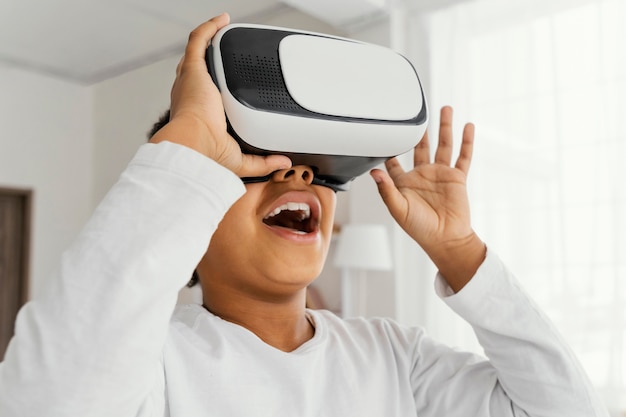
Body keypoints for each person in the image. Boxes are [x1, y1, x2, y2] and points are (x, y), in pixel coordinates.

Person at [0, 13, 609, 417]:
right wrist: (187, 137)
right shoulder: (153, 362)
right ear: (191, 210)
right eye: (256, 164)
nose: (298, 175)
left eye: (319, 169)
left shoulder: (397, 357)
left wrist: (461, 251)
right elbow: (48, 399)